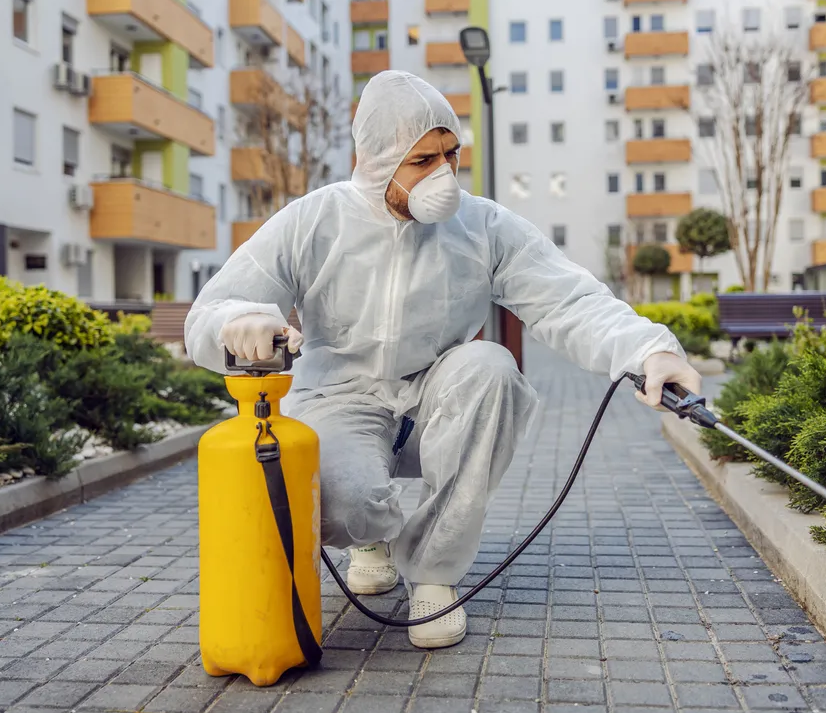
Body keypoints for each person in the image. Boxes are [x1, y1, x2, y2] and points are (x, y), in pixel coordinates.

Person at [185, 70, 701, 650]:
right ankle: (371, 537)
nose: (444, 175)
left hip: (440, 396)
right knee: (333, 502)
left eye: (451, 155)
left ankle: (433, 574)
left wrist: (651, 350)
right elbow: (212, 309)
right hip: (340, 397)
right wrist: (238, 323)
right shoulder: (314, 221)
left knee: (491, 367)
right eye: (423, 160)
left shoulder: (482, 225)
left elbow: (569, 298)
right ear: (376, 159)